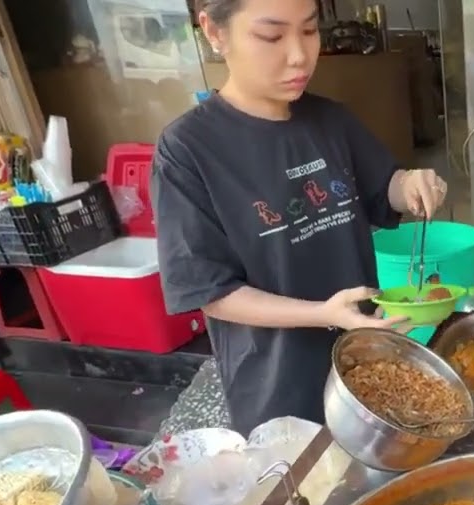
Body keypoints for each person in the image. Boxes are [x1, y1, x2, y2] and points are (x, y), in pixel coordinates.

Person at [151, 0, 448, 436]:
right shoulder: (188, 149)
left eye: (309, 31)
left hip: (363, 363)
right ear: (215, 32)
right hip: (278, 387)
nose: (299, 54)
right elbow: (211, 290)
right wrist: (323, 312)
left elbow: (382, 187)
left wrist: (410, 184)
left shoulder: (330, 120)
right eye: (272, 36)